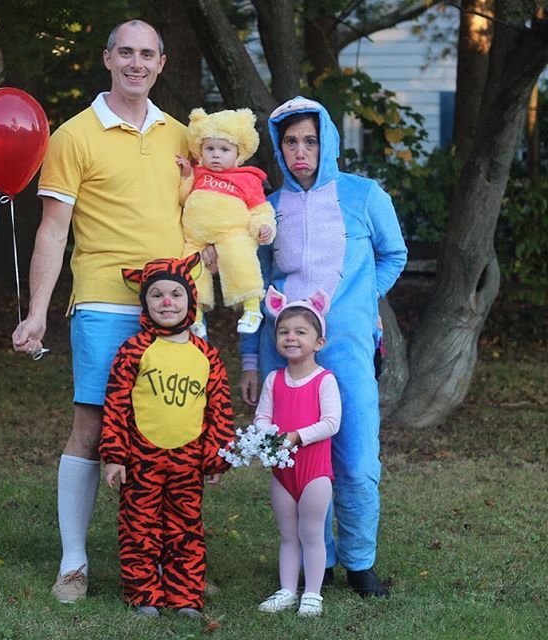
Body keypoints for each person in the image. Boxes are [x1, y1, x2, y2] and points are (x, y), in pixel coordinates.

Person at [11, 20, 197, 603]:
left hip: (177, 306)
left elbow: (205, 211)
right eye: (126, 53)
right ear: (107, 59)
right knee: (92, 430)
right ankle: (73, 565)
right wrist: (36, 311)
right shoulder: (72, 135)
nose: (136, 63)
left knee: (175, 436)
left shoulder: (182, 136)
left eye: (147, 54)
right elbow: (52, 229)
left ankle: (173, 567)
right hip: (104, 302)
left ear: (162, 63)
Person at [240, 96, 407, 598]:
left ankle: (359, 561)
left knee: (354, 458)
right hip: (283, 353)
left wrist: (361, 300)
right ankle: (319, 560)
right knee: (297, 460)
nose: (300, 151)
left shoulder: (363, 196)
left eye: (310, 140)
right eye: (290, 141)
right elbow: (253, 287)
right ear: (278, 146)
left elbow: (393, 254)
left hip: (348, 351)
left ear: (327, 142)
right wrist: (250, 360)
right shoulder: (266, 209)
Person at [100, 254, 233, 618]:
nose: (167, 303)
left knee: (185, 528)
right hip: (142, 459)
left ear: (190, 299)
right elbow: (116, 404)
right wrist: (114, 454)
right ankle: (144, 593)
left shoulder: (207, 355)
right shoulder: (133, 350)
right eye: (156, 295)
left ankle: (185, 595)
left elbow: (218, 411)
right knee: (139, 527)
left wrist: (216, 457)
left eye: (176, 294)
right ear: (144, 302)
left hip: (188, 461)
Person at [255, 286, 341, 618]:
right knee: (288, 534)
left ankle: (313, 594)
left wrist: (296, 436)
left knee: (311, 531)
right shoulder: (274, 379)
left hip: (314, 472)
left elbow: (331, 422)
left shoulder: (324, 380)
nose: (291, 337)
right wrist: (267, 436)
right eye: (284, 331)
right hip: (283, 472)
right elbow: (263, 416)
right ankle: (287, 589)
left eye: (300, 332)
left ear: (318, 342)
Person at [176, 107, 275, 337]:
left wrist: (263, 226)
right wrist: (185, 175)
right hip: (196, 238)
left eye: (224, 149)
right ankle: (195, 315)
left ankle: (251, 306)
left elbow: (259, 208)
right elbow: (183, 198)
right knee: (188, 269)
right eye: (210, 149)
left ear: (238, 153)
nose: (216, 155)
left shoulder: (247, 179)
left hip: (231, 233)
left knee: (240, 257)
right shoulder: (199, 173)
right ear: (200, 150)